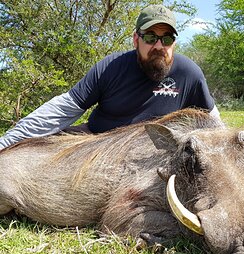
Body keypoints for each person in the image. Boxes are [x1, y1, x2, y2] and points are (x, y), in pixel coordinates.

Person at [0, 4, 220, 150]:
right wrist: (5, 144)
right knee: (38, 148)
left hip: (151, 154)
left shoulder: (189, 74)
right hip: (97, 142)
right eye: (151, 37)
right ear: (136, 39)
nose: (159, 46)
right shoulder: (110, 68)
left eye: (167, 39)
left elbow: (214, 125)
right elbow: (59, 111)